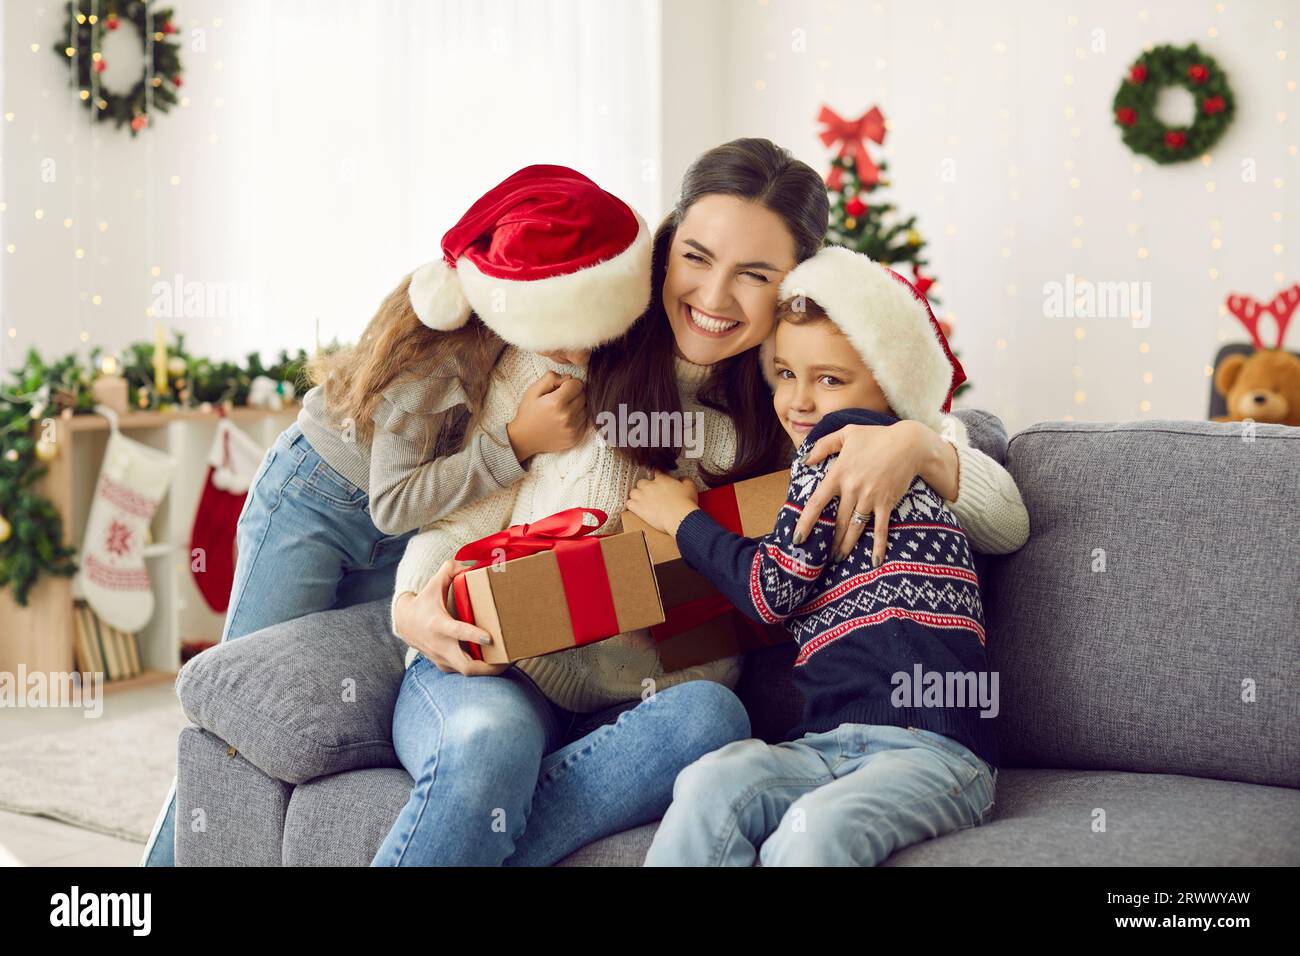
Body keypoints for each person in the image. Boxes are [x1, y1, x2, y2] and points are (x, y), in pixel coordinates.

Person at [380, 140, 1029, 866]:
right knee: (487, 742)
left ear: (794, 286)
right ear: (667, 247)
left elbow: (1004, 516)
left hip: (644, 703)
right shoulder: (575, 347)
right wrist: (412, 608)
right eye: (696, 257)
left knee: (715, 719)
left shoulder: (806, 408)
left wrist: (915, 445)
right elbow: (461, 519)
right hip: (493, 662)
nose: (714, 298)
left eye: (754, 275)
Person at [627, 246, 1004, 866]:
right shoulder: (844, 458)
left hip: (937, 752)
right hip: (829, 746)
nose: (798, 400)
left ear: (885, 385)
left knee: (814, 829)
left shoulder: (842, 450)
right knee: (712, 780)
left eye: (828, 378)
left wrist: (682, 519)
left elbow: (769, 594)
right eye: (784, 373)